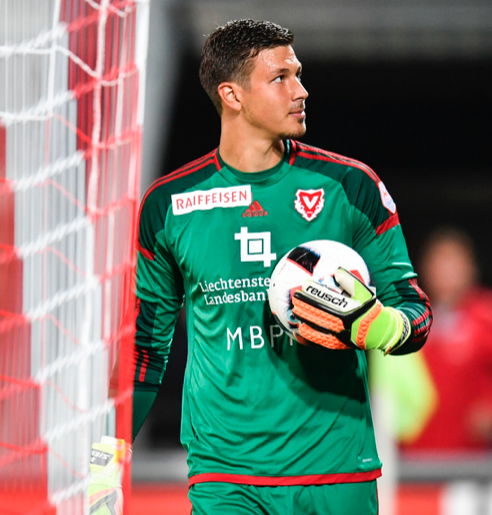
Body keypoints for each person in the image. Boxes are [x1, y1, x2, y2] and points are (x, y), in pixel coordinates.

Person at [131, 20, 433, 513]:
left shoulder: (350, 188)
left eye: (299, 74)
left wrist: (379, 326)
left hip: (336, 470)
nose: (301, 90)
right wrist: (110, 447)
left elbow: (415, 313)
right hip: (224, 475)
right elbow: (147, 344)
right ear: (232, 95)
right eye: (281, 78)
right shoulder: (170, 205)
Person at [407, 228, 492, 450]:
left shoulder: (486, 315)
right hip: (418, 458)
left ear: (470, 267)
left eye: (452, 260)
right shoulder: (407, 321)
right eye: (438, 261)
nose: (445, 270)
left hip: (473, 461)